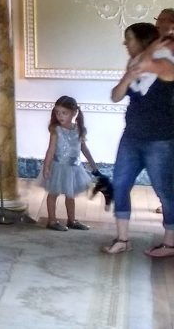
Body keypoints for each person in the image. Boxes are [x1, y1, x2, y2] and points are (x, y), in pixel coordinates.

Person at [103, 22, 174, 256]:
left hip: (160, 140)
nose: (125, 44)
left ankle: (170, 243)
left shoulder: (164, 63)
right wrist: (128, 76)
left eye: (129, 39)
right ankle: (122, 239)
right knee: (120, 185)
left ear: (143, 41)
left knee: (164, 191)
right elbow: (115, 96)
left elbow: (150, 65)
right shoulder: (134, 65)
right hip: (131, 137)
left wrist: (155, 43)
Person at [40, 96, 98, 231]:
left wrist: (93, 164)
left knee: (70, 195)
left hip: (74, 168)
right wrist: (46, 166)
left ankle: (72, 220)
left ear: (74, 113)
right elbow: (51, 149)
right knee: (53, 193)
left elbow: (84, 148)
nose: (60, 116)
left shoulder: (78, 129)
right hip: (58, 166)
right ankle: (52, 220)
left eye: (64, 113)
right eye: (57, 112)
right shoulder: (56, 130)